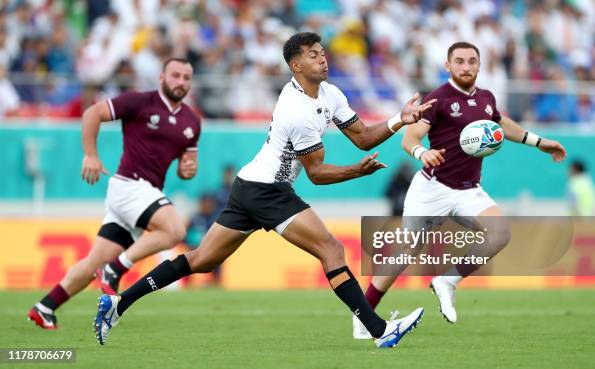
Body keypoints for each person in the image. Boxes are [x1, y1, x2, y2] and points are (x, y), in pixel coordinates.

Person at [93, 32, 436, 349]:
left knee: (201, 260)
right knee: (330, 249)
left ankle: (119, 303)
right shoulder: (296, 109)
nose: (323, 59)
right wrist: (356, 172)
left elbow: (362, 137)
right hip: (266, 190)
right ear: (296, 65)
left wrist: (398, 120)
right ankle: (379, 331)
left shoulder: (331, 93)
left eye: (323, 53)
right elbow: (316, 174)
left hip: (249, 185)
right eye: (314, 55)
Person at [353, 42, 567, 338]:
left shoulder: (487, 99)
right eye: (460, 61)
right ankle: (364, 315)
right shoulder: (438, 98)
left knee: (500, 232)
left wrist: (541, 143)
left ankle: (447, 281)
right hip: (432, 188)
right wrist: (421, 153)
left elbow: (503, 125)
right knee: (407, 251)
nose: (466, 66)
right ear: (448, 66)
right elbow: (410, 137)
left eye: (471, 61)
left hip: (468, 190)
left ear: (479, 66)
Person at [27, 58, 201, 330]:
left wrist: (187, 169)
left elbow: (187, 166)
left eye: (186, 77)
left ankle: (45, 307)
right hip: (129, 186)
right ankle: (117, 269)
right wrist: (90, 156)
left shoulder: (192, 121)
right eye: (175, 75)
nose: (181, 82)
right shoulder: (140, 101)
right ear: (161, 77)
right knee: (174, 230)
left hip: (145, 194)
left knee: (94, 260)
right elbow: (91, 114)